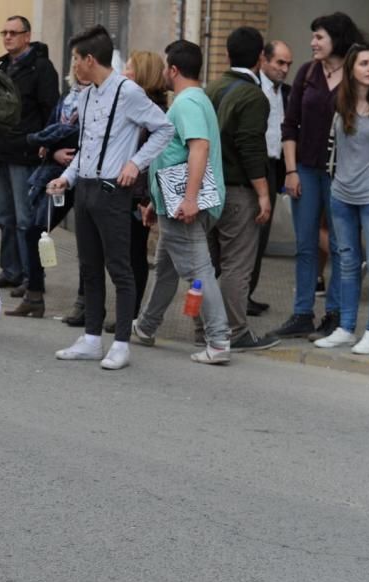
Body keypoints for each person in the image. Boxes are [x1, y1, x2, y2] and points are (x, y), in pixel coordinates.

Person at [47, 25, 173, 370]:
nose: (73, 65)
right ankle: (90, 339)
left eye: (75, 59)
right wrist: (65, 178)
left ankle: (121, 344)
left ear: (90, 59)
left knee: (120, 268)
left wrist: (135, 162)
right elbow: (87, 146)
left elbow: (164, 128)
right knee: (88, 267)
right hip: (85, 189)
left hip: (113, 191)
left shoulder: (128, 91)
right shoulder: (86, 94)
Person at [132, 40, 231, 365]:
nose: (162, 72)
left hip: (185, 206)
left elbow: (198, 148)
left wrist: (189, 199)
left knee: (199, 269)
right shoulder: (197, 99)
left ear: (173, 70)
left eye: (165, 67)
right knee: (164, 268)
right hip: (174, 204)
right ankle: (146, 327)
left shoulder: (186, 103)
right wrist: (155, 204)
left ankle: (218, 341)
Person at [272, 12, 364, 341]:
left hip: (343, 175)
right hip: (306, 171)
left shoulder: (357, 76)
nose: (312, 43)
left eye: (319, 37)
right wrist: (291, 171)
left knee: (340, 246)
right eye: (313, 37)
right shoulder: (307, 73)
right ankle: (301, 314)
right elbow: (290, 124)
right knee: (306, 244)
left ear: (336, 39)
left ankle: (335, 315)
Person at [314, 42, 369, 354]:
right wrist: (333, 179)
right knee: (348, 264)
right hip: (341, 196)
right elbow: (335, 147)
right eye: (364, 63)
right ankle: (345, 328)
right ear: (351, 67)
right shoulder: (342, 103)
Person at [201, 27, 279, 352]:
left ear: (227, 55)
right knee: (236, 265)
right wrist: (263, 193)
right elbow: (250, 148)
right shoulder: (253, 96)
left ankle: (200, 324)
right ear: (261, 57)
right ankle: (235, 331)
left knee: (205, 263)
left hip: (207, 190)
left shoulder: (210, 89)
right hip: (237, 191)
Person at [7, 65, 83, 318]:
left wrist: (44, 143)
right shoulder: (68, 96)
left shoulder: (98, 100)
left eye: (81, 59)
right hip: (53, 174)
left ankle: (85, 305)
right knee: (35, 231)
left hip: (83, 177)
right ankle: (34, 295)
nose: (77, 66)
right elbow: (53, 128)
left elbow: (79, 137)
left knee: (87, 242)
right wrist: (52, 151)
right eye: (74, 60)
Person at [0, 15, 59, 293]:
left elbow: (50, 109)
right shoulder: (1, 67)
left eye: (13, 33)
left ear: (27, 37)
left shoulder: (41, 68)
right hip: (1, 150)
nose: (8, 37)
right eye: (4, 32)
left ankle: (32, 277)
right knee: (4, 217)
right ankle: (11, 270)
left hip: (26, 152)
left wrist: (47, 142)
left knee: (24, 219)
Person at [120, 50, 169, 327]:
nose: (124, 72)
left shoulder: (153, 111)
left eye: (129, 68)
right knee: (127, 255)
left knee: (135, 256)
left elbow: (153, 158)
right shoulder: (136, 105)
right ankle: (130, 312)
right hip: (129, 191)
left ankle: (133, 313)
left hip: (137, 195)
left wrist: (144, 196)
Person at [249, 39, 293, 315]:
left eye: (288, 64)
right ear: (263, 60)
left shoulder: (287, 93)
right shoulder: (251, 88)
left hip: (274, 167)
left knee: (261, 238)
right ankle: (237, 296)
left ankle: (248, 293)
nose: (285, 69)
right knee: (247, 235)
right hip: (253, 168)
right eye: (280, 62)